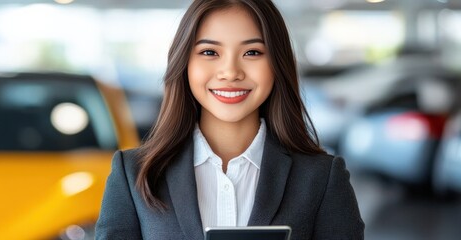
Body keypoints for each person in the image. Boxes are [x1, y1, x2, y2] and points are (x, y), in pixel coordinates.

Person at [95, 0, 364, 239]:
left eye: (252, 52)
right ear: (184, 64)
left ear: (277, 64)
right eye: (210, 52)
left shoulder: (321, 177)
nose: (230, 72)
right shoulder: (133, 174)